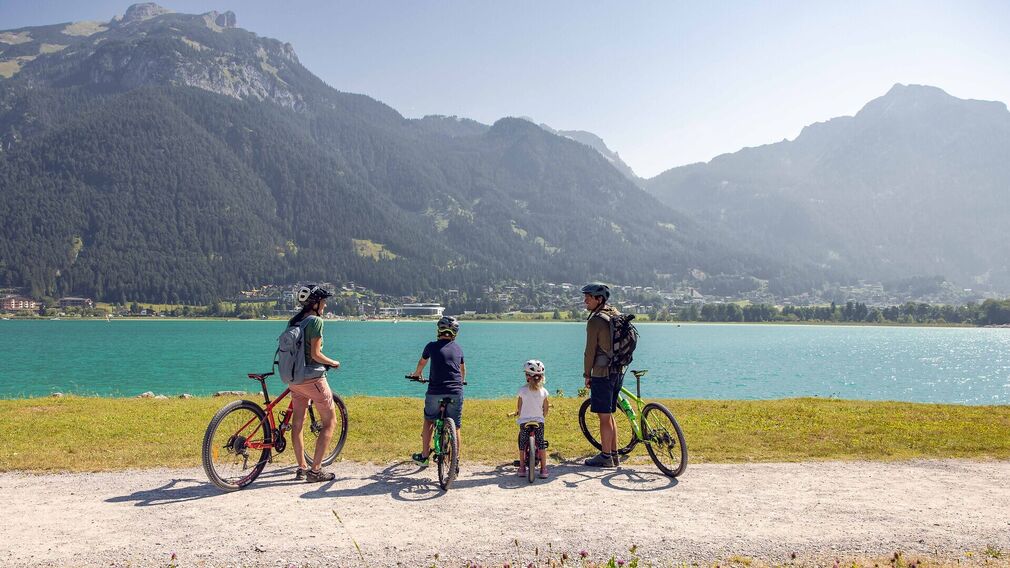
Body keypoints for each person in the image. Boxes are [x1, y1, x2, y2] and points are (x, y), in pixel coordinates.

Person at [288, 284, 340, 482]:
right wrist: (333, 362)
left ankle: (301, 467)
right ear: (315, 303)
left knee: (298, 423)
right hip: (313, 379)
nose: (325, 306)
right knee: (330, 422)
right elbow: (316, 354)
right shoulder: (316, 321)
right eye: (323, 302)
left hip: (294, 380)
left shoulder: (294, 322)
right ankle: (315, 471)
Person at [407, 315, 466, 468]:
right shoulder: (458, 348)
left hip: (435, 391)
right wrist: (461, 381)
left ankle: (425, 456)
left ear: (439, 330)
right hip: (455, 391)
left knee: (429, 420)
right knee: (457, 426)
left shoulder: (431, 346)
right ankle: (456, 460)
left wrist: (416, 374)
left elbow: (422, 363)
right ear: (454, 333)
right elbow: (462, 370)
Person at [581, 282, 622, 468]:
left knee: (604, 416)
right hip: (617, 370)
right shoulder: (614, 313)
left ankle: (606, 456)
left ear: (599, 299)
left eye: (588, 297)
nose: (585, 301)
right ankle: (614, 455)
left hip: (601, 373)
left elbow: (590, 352)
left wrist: (587, 374)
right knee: (609, 414)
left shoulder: (596, 320)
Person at [514, 359, 550, 479]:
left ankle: (522, 467)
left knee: (522, 444)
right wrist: (542, 416)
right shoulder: (544, 392)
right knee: (541, 444)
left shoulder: (522, 390)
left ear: (528, 377)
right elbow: (545, 408)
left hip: (524, 422)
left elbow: (519, 407)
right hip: (538, 421)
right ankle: (544, 469)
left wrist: (520, 414)